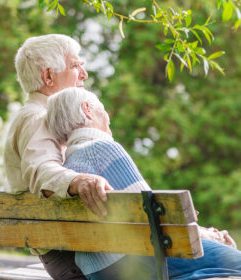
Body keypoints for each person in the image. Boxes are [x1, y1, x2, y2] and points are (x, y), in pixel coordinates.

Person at [46, 87, 241, 280]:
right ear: (87, 109)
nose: (108, 116)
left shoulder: (67, 169)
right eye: (102, 108)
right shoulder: (102, 149)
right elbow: (156, 219)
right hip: (131, 260)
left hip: (95, 271)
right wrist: (209, 235)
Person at [4, 34, 112, 280]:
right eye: (75, 66)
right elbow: (42, 170)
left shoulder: (45, 117)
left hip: (77, 249)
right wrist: (79, 181)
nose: (84, 74)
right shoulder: (37, 118)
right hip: (74, 258)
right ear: (48, 76)